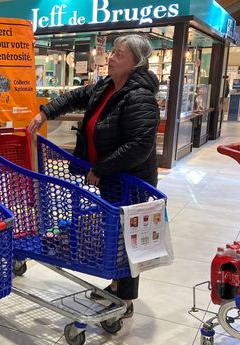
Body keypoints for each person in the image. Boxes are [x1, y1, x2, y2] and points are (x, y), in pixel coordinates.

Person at [29, 34, 160, 318]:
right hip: (112, 177)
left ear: (135, 64)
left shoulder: (140, 97)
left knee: (128, 236)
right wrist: (45, 113)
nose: (111, 57)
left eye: (120, 54)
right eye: (113, 52)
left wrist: (100, 169)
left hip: (131, 180)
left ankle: (124, 299)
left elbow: (139, 146)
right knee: (117, 232)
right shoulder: (107, 86)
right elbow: (76, 96)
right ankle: (115, 287)